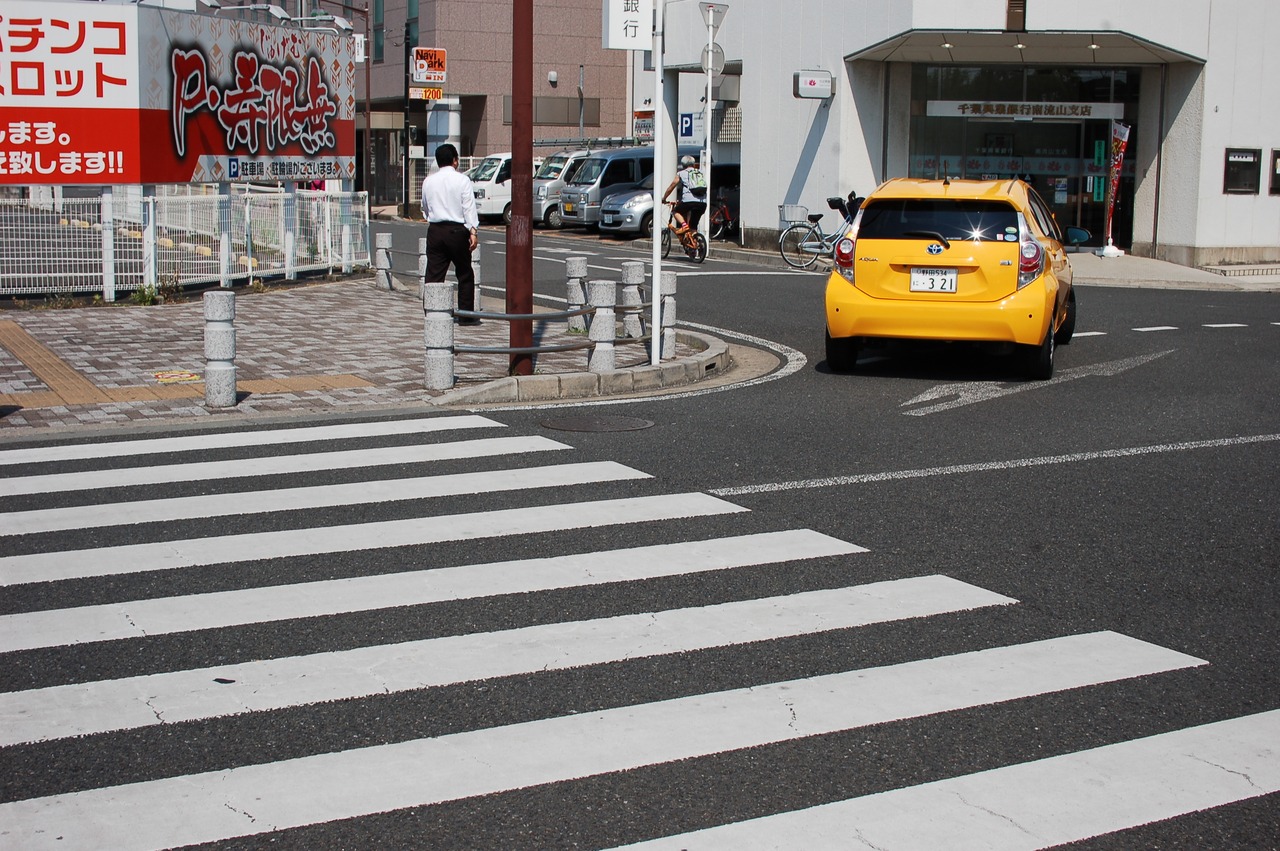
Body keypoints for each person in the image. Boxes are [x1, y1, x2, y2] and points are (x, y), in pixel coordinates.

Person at [421, 143, 481, 325]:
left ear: (438, 161)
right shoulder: (462, 180)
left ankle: (432, 311)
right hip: (457, 231)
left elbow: (425, 208)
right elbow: (468, 207)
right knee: (464, 273)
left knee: (434, 273)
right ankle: (466, 315)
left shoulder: (428, 181)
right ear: (455, 161)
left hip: (435, 230)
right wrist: (473, 231)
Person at [661, 155, 708, 236]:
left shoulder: (681, 173)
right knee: (693, 227)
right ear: (693, 164)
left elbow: (672, 186)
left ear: (683, 165)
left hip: (688, 202)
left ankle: (684, 225)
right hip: (702, 203)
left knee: (675, 211)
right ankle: (696, 241)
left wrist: (664, 198)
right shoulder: (700, 172)